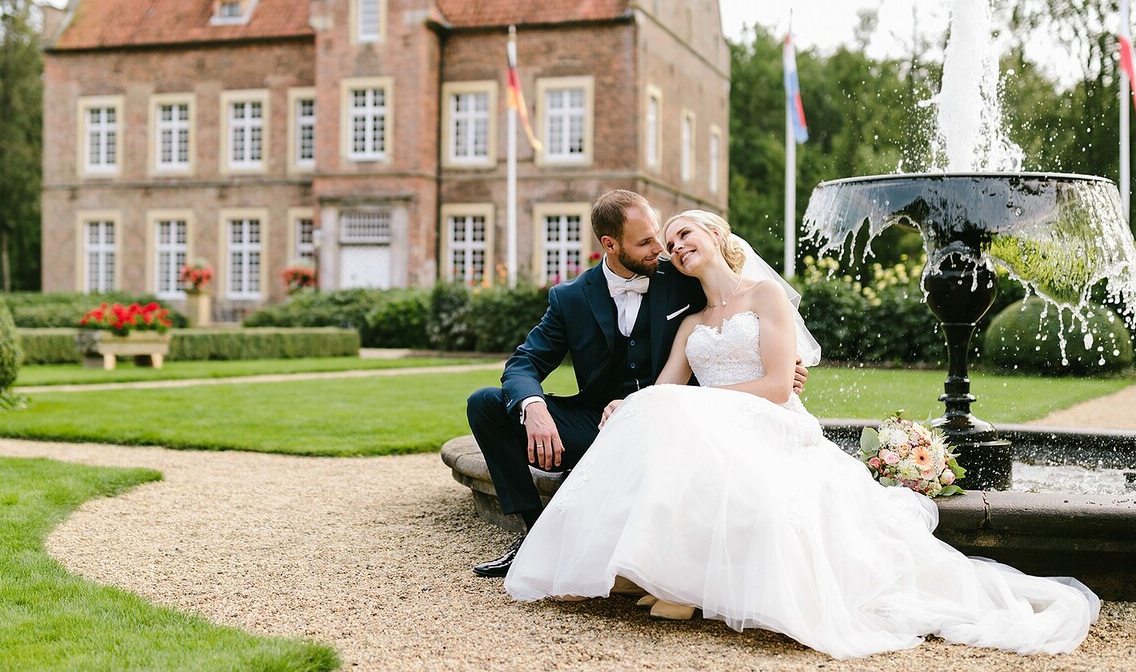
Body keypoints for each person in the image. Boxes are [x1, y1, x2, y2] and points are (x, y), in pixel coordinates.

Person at [502, 210, 1100, 660]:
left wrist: (693, 401)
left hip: (769, 418)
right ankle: (650, 569)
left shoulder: (764, 296)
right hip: (713, 420)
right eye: (672, 240)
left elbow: (774, 386)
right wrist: (628, 406)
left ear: (717, 236)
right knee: (648, 414)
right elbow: (664, 387)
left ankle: (678, 581)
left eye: (687, 235)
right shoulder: (687, 323)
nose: (678, 246)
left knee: (679, 416)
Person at [465, 190, 807, 578]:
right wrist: (535, 407)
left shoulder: (681, 275)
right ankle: (530, 531)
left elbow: (734, 310)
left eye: (659, 236)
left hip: (670, 421)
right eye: (645, 242)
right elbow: (523, 362)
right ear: (610, 245)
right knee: (486, 404)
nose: (661, 248)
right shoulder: (570, 298)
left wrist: (779, 363)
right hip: (595, 424)